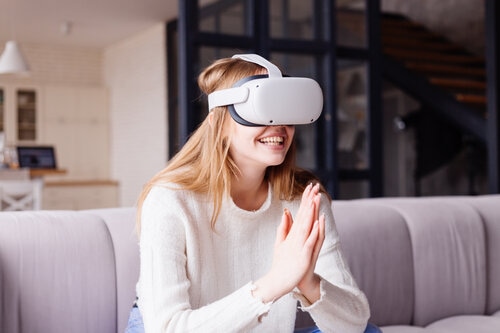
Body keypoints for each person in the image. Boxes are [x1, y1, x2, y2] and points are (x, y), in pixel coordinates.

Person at [127, 54, 377, 332]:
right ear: (219, 124)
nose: (279, 125)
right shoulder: (170, 200)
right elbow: (167, 327)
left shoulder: (302, 199)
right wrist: (276, 281)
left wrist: (307, 280)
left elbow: (355, 323)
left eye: (286, 109)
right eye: (262, 107)